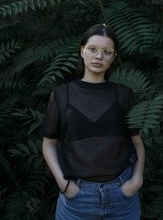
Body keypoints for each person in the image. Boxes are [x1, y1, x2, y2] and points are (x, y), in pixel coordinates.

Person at [41, 23, 145, 220]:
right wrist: (64, 184)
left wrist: (137, 179)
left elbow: (137, 142)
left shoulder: (124, 95)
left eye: (107, 51)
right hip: (77, 198)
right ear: (82, 51)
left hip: (122, 195)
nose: (99, 56)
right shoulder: (61, 95)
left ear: (113, 57)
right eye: (93, 49)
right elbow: (49, 143)